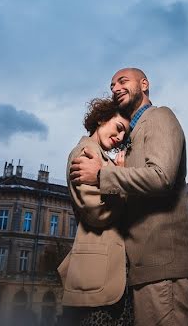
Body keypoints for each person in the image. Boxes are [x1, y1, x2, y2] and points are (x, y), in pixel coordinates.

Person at [70, 68, 188, 325]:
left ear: (144, 84)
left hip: (164, 268)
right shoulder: (133, 135)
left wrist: (102, 175)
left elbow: (162, 176)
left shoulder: (159, 116)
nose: (115, 88)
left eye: (122, 81)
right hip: (145, 272)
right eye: (111, 85)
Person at [59, 97, 134, 326]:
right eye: (119, 128)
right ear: (101, 118)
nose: (120, 137)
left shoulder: (102, 157)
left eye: (124, 135)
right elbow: (96, 213)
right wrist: (122, 180)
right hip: (99, 274)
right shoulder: (86, 152)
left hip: (111, 272)